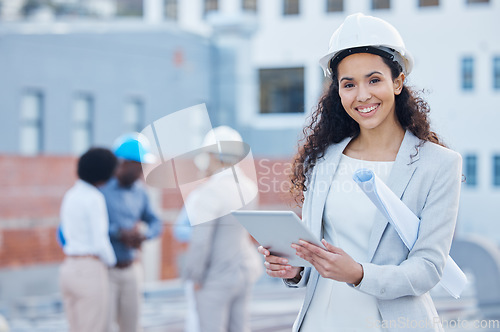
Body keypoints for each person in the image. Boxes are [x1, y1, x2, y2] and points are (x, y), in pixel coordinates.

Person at [258, 13, 462, 332]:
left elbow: (427, 269)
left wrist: (358, 273)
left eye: (374, 79)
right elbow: (316, 258)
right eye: (349, 84)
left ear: (398, 81)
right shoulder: (324, 159)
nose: (362, 95)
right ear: (338, 91)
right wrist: (293, 269)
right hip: (320, 322)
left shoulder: (439, 164)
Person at [182, 126, 263, 332]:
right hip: (243, 272)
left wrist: (194, 276)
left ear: (213, 155)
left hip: (215, 277)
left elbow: (201, 241)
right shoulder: (248, 187)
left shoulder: (209, 192)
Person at [100, 133, 163, 332]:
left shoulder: (140, 192)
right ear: (124, 163)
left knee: (132, 326)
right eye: (139, 166)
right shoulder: (100, 190)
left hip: (131, 270)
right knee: (104, 325)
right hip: (106, 271)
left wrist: (145, 235)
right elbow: (95, 227)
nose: (142, 173)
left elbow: (155, 222)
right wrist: (119, 233)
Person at [59, 147, 118, 332]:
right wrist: (112, 261)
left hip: (68, 267)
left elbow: (63, 232)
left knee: (75, 327)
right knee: (93, 327)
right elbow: (100, 241)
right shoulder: (94, 198)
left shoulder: (70, 195)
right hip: (90, 269)